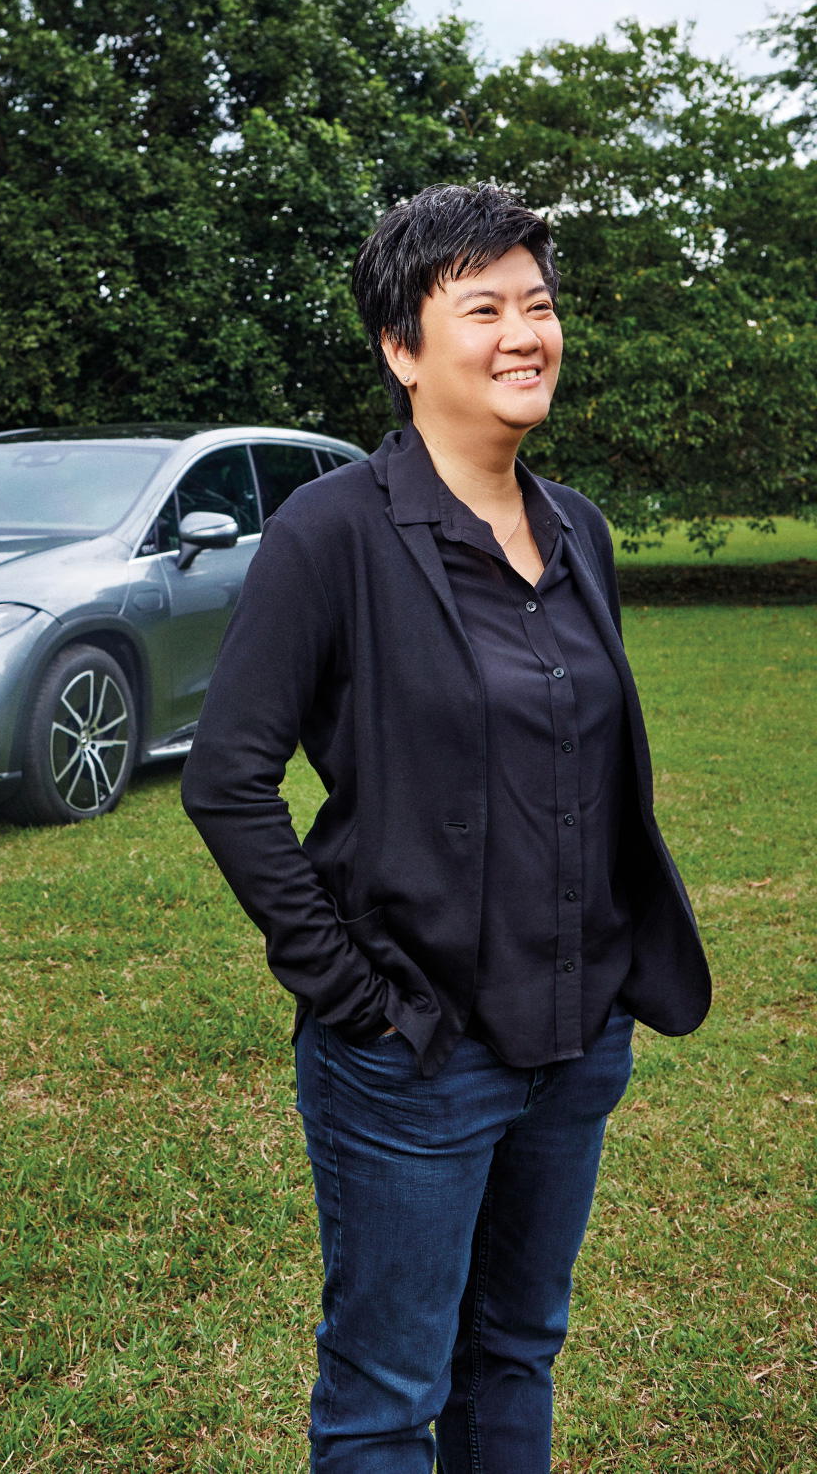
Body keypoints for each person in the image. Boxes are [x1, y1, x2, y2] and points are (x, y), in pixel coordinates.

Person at [180, 183, 710, 1473]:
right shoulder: (332, 534)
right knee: (386, 1398)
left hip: (576, 1038)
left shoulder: (575, 527)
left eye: (539, 304)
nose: (526, 331)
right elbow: (227, 778)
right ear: (403, 349)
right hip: (415, 1054)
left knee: (518, 1349)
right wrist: (350, 992)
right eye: (484, 307)